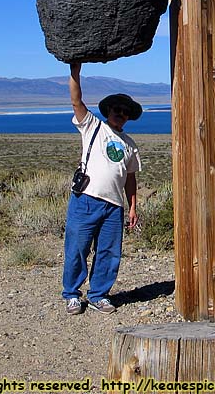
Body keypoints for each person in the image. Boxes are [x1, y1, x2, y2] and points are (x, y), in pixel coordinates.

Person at [62, 62, 140, 315]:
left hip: (114, 206)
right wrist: (75, 72)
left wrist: (132, 207)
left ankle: (98, 294)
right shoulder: (94, 127)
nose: (120, 114)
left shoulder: (129, 144)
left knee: (109, 253)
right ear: (108, 111)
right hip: (87, 199)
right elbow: (76, 102)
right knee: (77, 249)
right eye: (116, 110)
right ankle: (72, 294)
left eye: (125, 112)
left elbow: (130, 178)